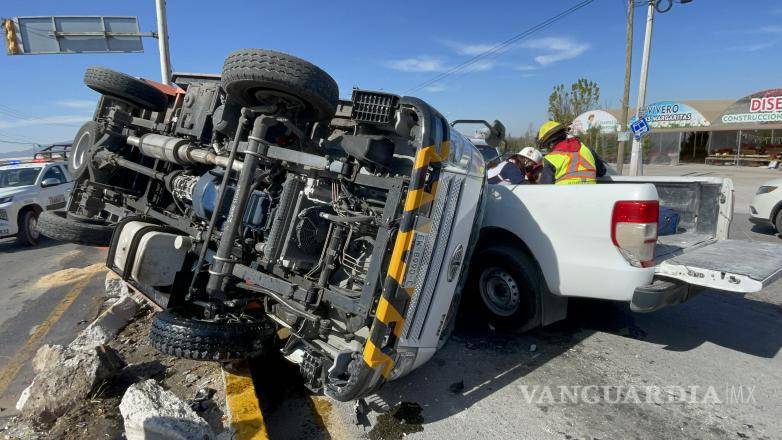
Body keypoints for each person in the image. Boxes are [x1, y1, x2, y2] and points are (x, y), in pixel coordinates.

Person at [536, 121, 606, 185]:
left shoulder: (550, 159)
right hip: (592, 196)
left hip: (563, 197)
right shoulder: (588, 150)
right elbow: (602, 172)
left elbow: (544, 188)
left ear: (550, 143)